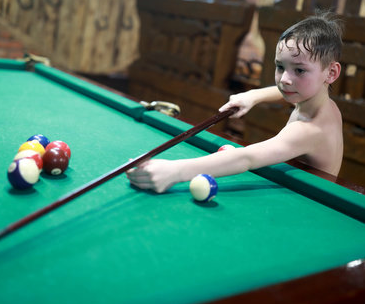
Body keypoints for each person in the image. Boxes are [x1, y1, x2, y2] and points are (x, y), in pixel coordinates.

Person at [127, 13, 344, 193]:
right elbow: (287, 90)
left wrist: (174, 172)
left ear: (331, 72)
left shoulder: (308, 130)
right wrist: (254, 95)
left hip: (308, 208)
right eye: (280, 67)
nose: (285, 79)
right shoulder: (322, 102)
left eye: (299, 70)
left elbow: (247, 158)